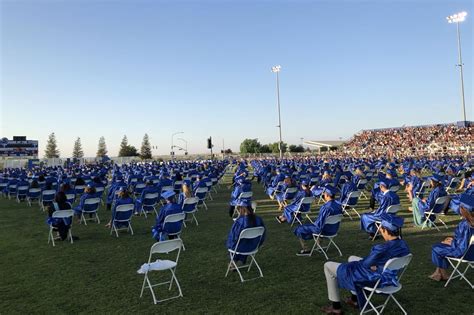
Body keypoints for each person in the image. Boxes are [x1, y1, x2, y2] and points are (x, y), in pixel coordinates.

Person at [322, 217, 410, 314]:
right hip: (390, 277)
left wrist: (375, 266)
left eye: (381, 229)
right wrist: (377, 266)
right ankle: (355, 300)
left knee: (328, 266)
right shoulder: (404, 245)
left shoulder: (382, 248)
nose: (380, 231)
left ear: (385, 230)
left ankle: (336, 307)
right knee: (351, 258)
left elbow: (365, 264)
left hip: (376, 279)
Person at [429, 194, 474, 281]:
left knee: (436, 248)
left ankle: (443, 274)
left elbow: (461, 249)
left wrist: (451, 243)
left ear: (463, 210)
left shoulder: (465, 225)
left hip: (466, 254)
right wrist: (453, 240)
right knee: (444, 243)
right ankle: (438, 273)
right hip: (472, 251)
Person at [293, 185, 343, 255]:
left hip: (324, 231)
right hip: (333, 230)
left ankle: (306, 249)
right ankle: (319, 246)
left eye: (324, 193)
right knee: (317, 225)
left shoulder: (326, 207)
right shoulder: (338, 205)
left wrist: (313, 224)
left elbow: (319, 225)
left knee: (299, 228)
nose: (323, 195)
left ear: (327, 195)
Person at [226, 199, 265, 264]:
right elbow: (263, 235)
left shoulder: (239, 222)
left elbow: (234, 238)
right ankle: (241, 260)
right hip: (253, 247)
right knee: (244, 241)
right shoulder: (259, 219)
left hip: (241, 248)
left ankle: (234, 261)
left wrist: (228, 244)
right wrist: (259, 244)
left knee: (235, 244)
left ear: (241, 209)